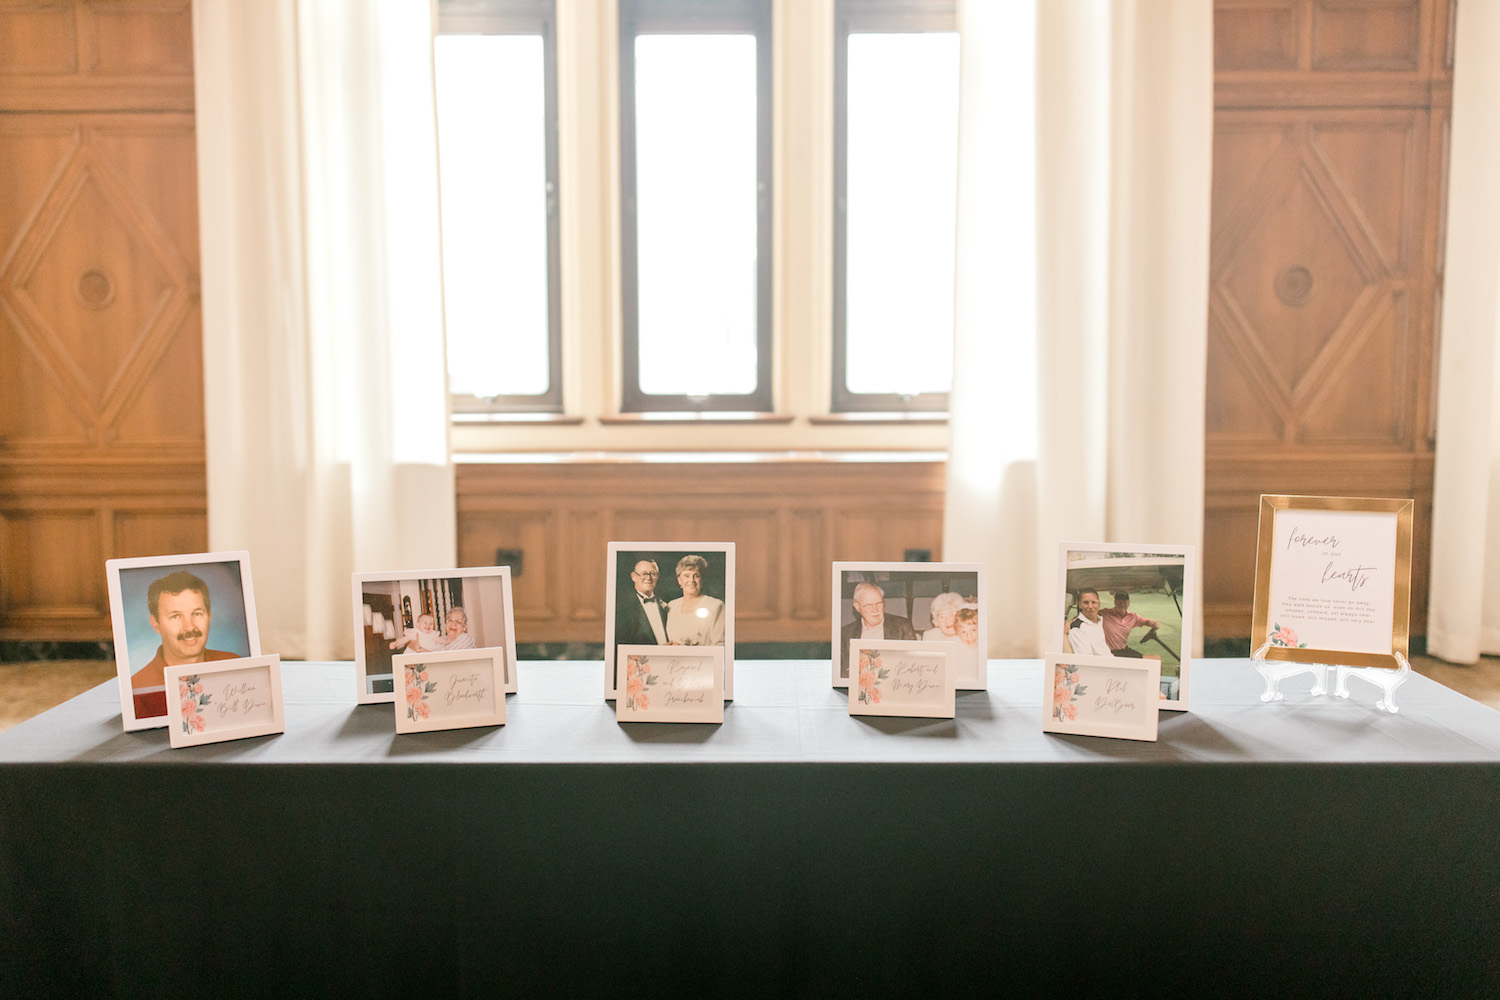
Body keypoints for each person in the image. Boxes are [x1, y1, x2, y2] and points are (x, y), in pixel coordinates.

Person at [130, 570, 239, 719]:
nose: (189, 627)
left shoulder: (234, 665)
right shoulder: (138, 688)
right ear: (156, 624)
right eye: (175, 616)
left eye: (197, 613)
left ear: (209, 616)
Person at [839, 581, 917, 680]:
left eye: (879, 604)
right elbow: (841, 674)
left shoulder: (903, 627)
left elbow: (913, 666)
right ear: (857, 607)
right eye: (868, 605)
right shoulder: (845, 633)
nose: (875, 610)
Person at [665, 554, 725, 646]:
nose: (691, 580)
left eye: (696, 575)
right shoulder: (671, 606)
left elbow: (720, 646)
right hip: (673, 660)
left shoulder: (715, 606)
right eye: (686, 576)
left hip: (702, 661)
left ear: (702, 579)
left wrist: (684, 650)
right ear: (679, 580)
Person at [615, 558, 670, 647]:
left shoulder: (666, 604)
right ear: (634, 577)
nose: (649, 578)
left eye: (653, 573)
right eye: (644, 573)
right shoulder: (622, 608)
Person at [1101, 591, 1162, 658]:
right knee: (1155, 658)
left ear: (1128, 603)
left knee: (1156, 658)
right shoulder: (1105, 613)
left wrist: (1154, 623)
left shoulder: (1133, 617)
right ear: (1115, 602)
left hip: (1123, 650)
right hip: (1110, 652)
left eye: (1124, 601)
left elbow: (1146, 621)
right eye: (1119, 601)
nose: (1122, 604)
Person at [1066, 588, 1112, 656]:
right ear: (1079, 605)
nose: (1090, 606)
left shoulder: (1100, 620)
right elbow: (1087, 658)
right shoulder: (1077, 628)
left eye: (1093, 602)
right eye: (1086, 602)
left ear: (1099, 604)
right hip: (1100, 665)